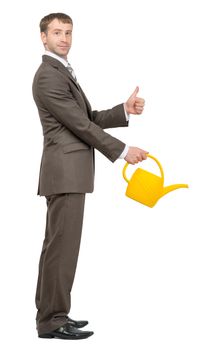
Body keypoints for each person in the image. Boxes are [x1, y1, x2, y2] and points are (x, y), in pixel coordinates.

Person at [32, 12, 148, 340]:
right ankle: (53, 320)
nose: (64, 38)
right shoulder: (48, 76)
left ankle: (52, 315)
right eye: (57, 32)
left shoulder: (60, 72)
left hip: (68, 174)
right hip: (64, 174)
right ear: (43, 37)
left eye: (68, 32)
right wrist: (124, 151)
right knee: (62, 249)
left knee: (57, 247)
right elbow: (81, 126)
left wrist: (123, 110)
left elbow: (89, 117)